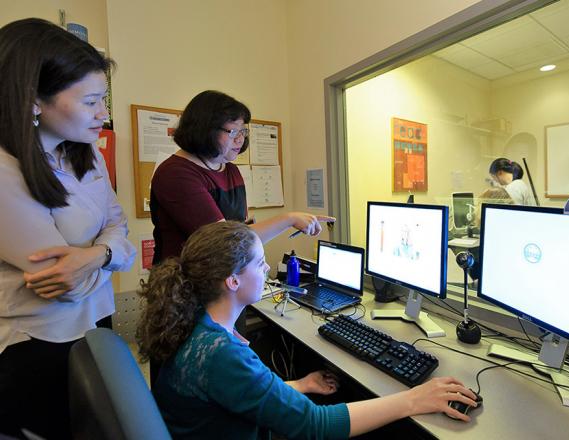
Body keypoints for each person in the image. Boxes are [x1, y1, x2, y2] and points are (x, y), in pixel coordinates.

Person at [137, 221, 478, 439]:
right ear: (232, 280)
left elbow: (236, 391)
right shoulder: (221, 353)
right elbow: (316, 426)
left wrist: (298, 384)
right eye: (259, 262)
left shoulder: (193, 322)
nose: (269, 266)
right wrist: (413, 399)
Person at [0, 18, 136, 439]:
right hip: (39, 342)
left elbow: (120, 227)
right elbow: (67, 284)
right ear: (35, 100)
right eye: (92, 101)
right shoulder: (6, 171)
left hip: (96, 321)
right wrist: (111, 253)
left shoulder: (83, 149)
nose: (104, 114)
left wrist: (99, 254)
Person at [150, 90, 333, 265]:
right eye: (233, 132)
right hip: (184, 287)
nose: (240, 139)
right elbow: (224, 242)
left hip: (224, 281)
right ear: (205, 130)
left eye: (243, 131)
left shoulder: (230, 170)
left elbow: (240, 232)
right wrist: (289, 219)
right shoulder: (175, 174)